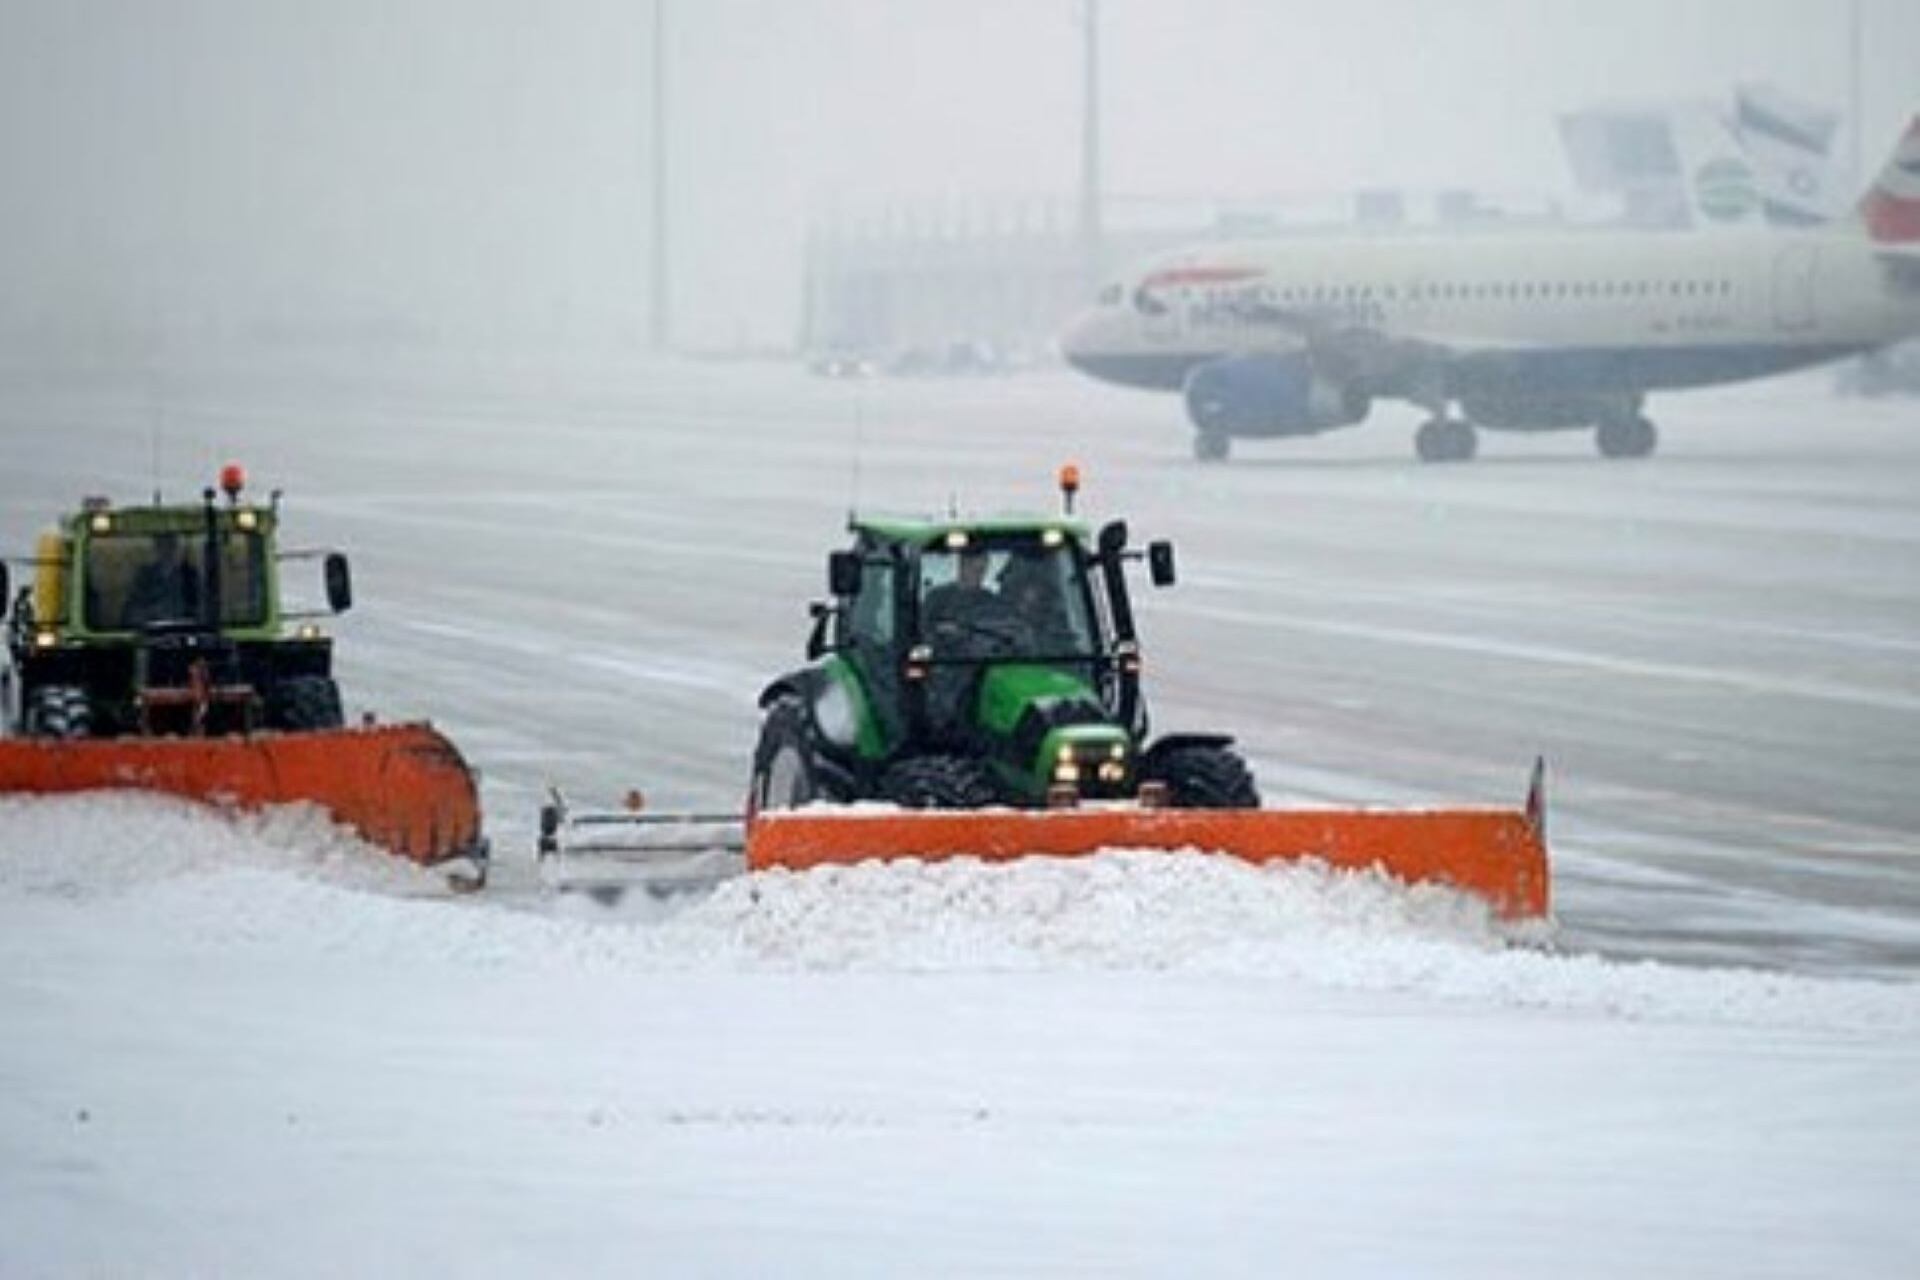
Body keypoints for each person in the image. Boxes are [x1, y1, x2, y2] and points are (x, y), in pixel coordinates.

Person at [123, 534, 201, 629]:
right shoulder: (144, 576)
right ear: (157, 549)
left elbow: (201, 611)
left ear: (178, 549)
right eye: (163, 546)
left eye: (171, 546)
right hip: (151, 632)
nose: (167, 551)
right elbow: (132, 610)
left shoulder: (190, 576)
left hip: (183, 632)